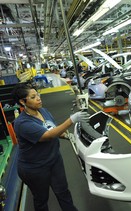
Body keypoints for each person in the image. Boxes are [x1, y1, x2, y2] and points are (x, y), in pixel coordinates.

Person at [12, 83, 89, 211]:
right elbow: (47, 135)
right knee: (41, 199)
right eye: (33, 97)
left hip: (53, 160)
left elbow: (52, 128)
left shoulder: (43, 111)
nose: (38, 98)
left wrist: (65, 135)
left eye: (37, 94)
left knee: (63, 192)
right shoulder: (22, 123)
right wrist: (71, 120)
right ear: (22, 101)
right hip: (34, 168)